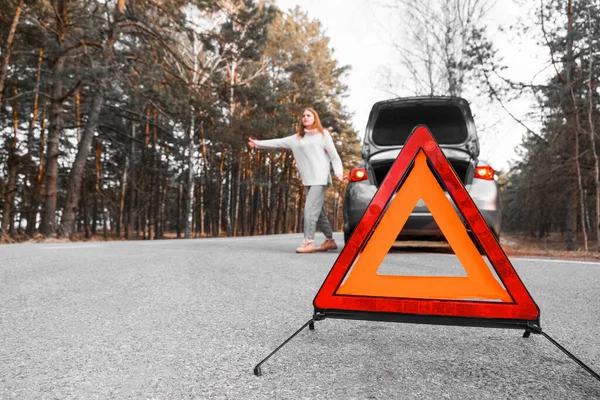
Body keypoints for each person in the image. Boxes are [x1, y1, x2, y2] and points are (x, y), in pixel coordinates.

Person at [248, 108, 344, 254]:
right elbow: (277, 142)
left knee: (310, 210)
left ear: (314, 118)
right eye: (303, 115)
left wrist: (339, 172)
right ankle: (330, 240)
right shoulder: (296, 138)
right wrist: (257, 143)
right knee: (318, 212)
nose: (305, 117)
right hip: (308, 179)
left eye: (308, 115)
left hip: (321, 178)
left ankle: (309, 242)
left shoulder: (323, 135)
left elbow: (334, 156)